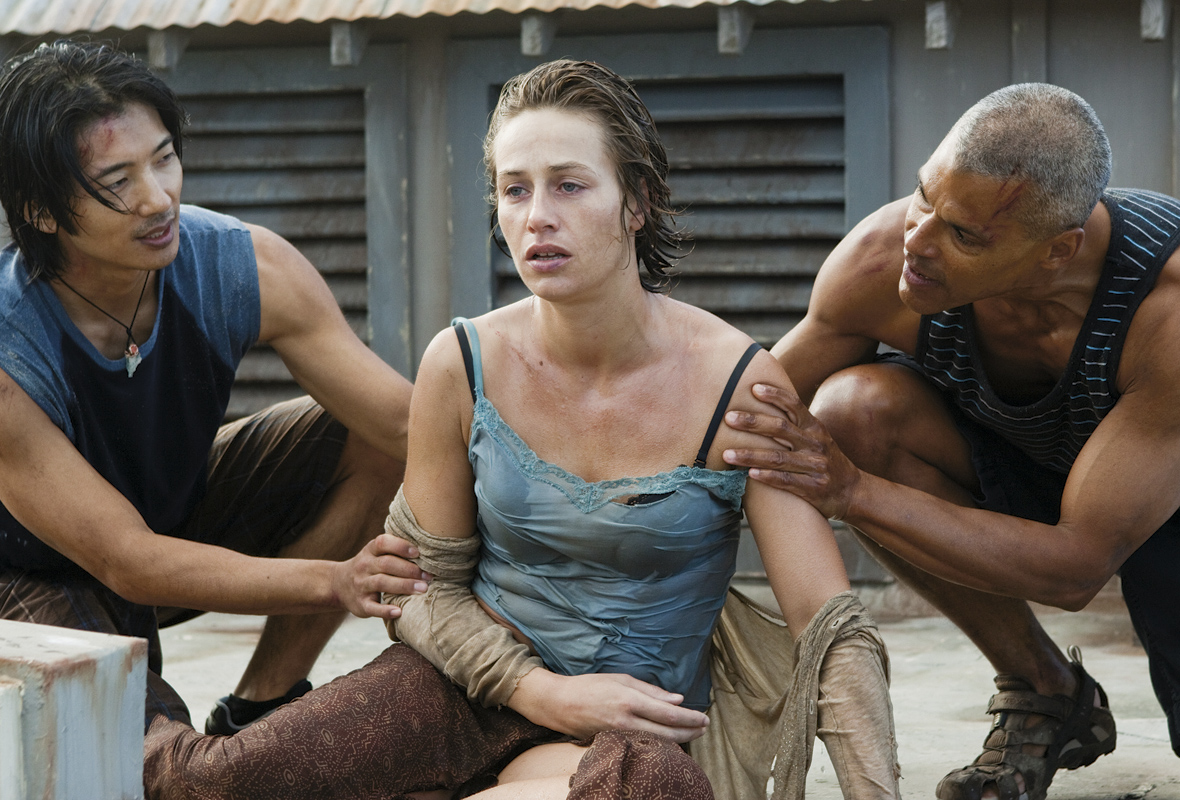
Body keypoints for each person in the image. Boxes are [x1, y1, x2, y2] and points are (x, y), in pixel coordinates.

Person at [143, 59, 899, 800]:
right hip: (461, 689)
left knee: (652, 788)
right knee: (209, 782)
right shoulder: (463, 362)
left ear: (637, 201)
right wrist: (537, 690)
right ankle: (112, 682)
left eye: (569, 185)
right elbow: (422, 590)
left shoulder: (737, 384)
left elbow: (831, 631)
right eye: (514, 189)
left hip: (625, 738)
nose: (537, 215)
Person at [720, 82, 1179, 800]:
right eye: (922, 196)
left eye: (964, 235)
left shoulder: (1166, 312)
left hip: (1159, 496)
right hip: (1022, 460)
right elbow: (744, 425)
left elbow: (1077, 569)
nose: (917, 240)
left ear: (1057, 251)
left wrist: (853, 493)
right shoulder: (883, 261)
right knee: (849, 412)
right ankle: (1044, 691)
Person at [0, 40, 427, 737]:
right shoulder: (9, 346)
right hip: (37, 570)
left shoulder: (244, 264)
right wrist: (336, 580)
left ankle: (259, 703)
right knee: (163, 771)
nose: (158, 197)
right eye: (117, 180)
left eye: (164, 157)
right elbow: (127, 560)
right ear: (41, 211)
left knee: (370, 436)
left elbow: (410, 426)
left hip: (176, 514)